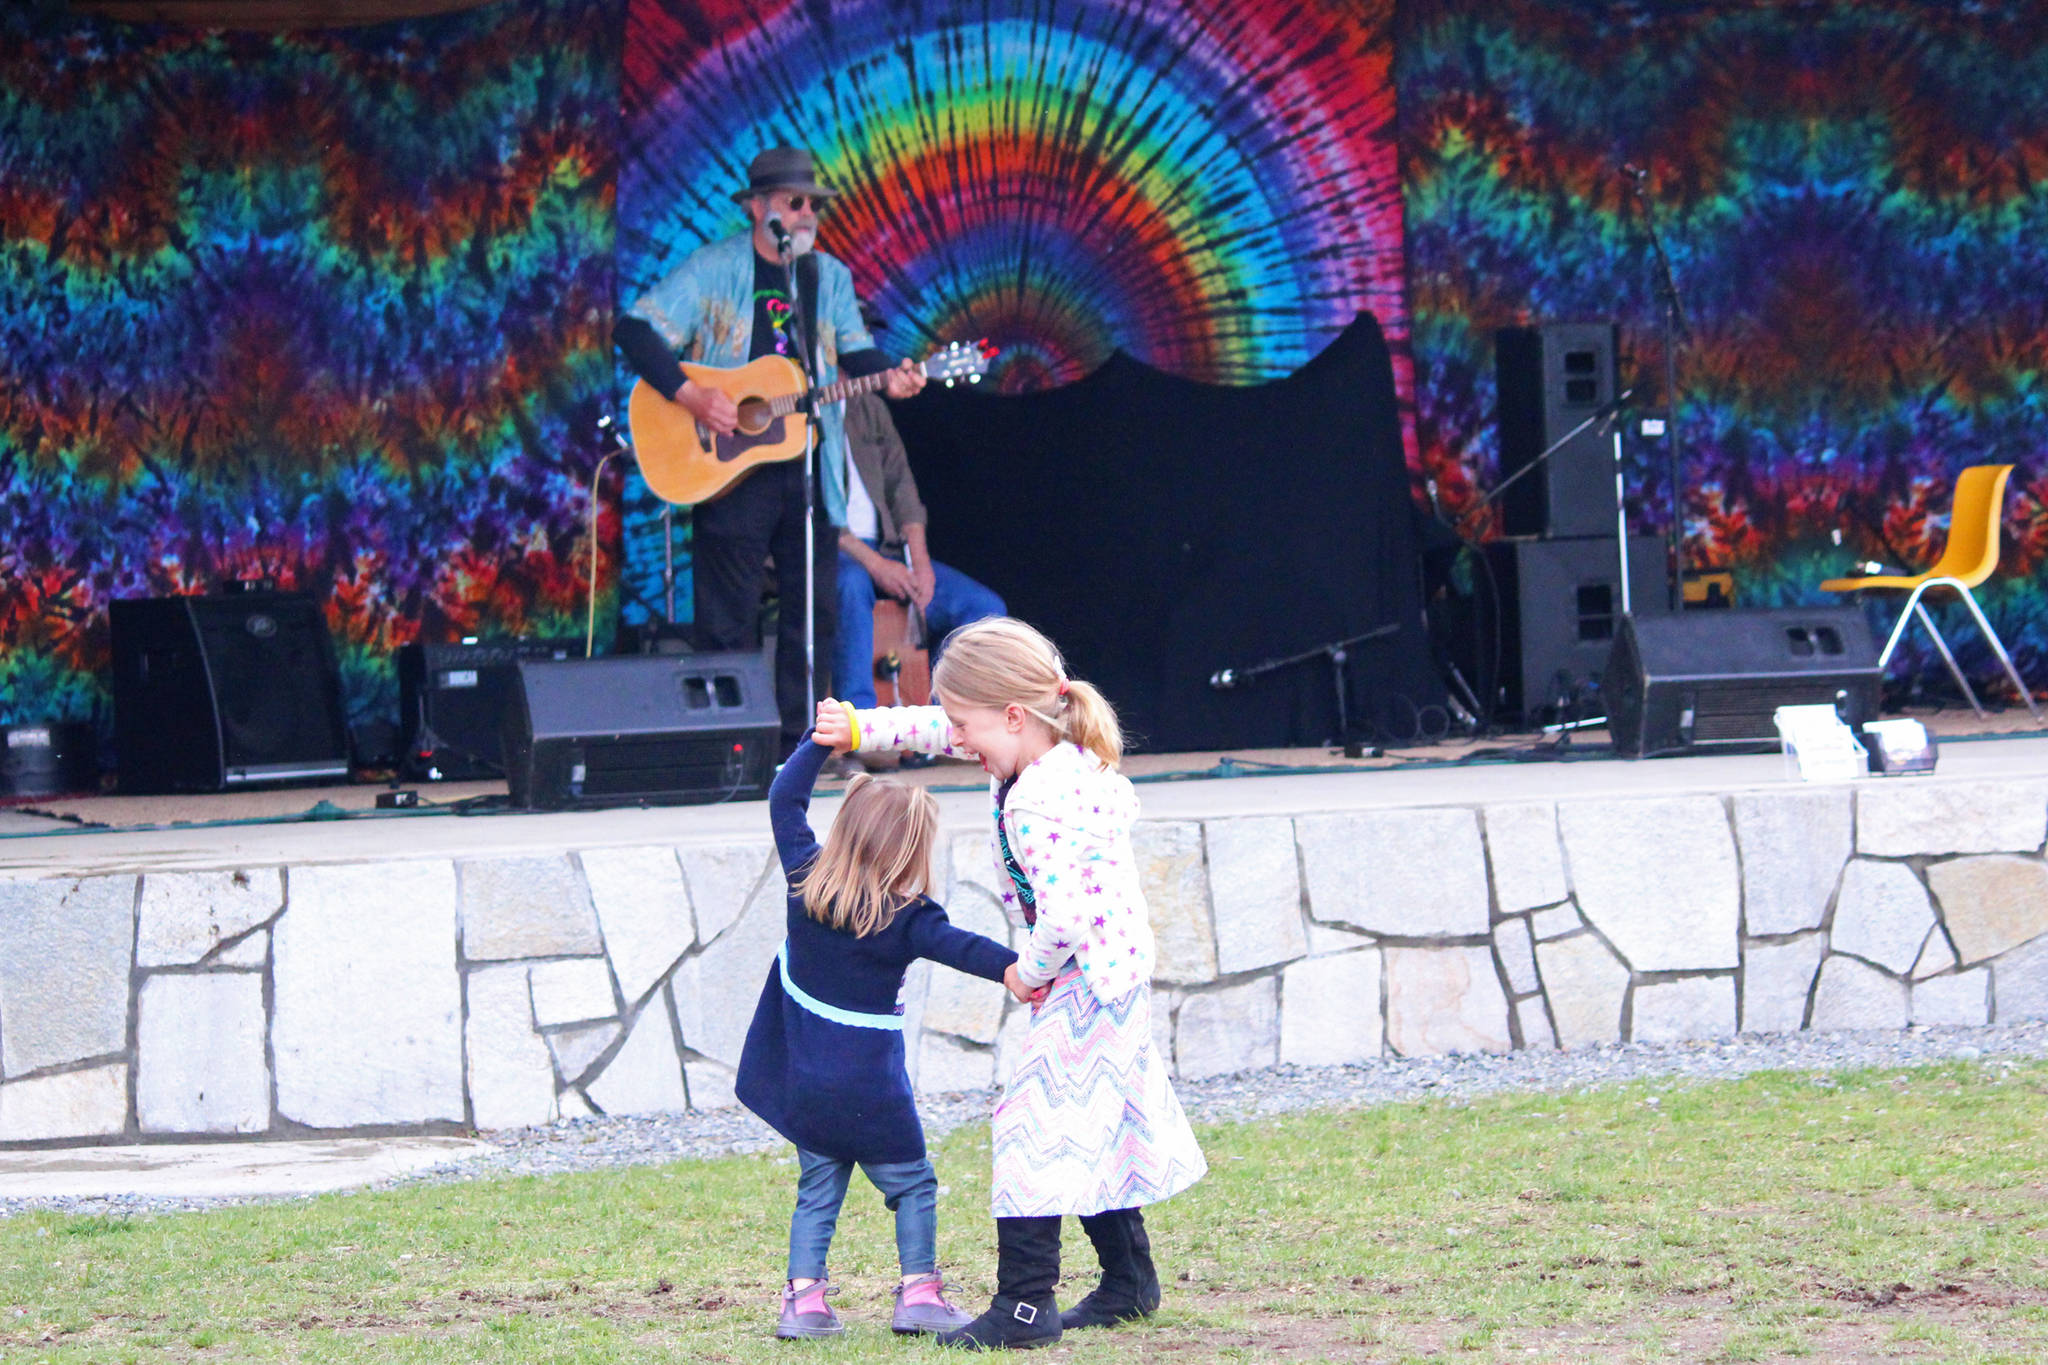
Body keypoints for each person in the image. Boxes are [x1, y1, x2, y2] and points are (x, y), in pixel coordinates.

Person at [814, 617, 1208, 1350]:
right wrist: (863, 727)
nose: (959, 741)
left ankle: (1026, 1304)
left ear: (1015, 715)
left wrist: (1026, 972)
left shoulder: (1034, 804)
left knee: (1030, 1128)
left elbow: (1062, 914)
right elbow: (943, 725)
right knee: (1091, 1123)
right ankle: (1129, 1279)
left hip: (1082, 978)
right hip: (1114, 973)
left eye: (969, 724)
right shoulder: (1058, 752)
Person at [736, 716, 1043, 1340]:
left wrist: (819, 742)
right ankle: (919, 1294)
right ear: (909, 849)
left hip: (808, 1085)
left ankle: (804, 1303)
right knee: (913, 1185)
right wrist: (1015, 971)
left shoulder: (805, 879)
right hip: (873, 1091)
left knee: (819, 1185)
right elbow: (962, 946)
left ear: (846, 830)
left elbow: (783, 799)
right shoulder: (908, 917)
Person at [614, 145, 927, 753]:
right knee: (727, 613)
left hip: (809, 463)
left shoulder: (827, 277)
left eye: (813, 203)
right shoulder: (714, 267)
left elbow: (856, 353)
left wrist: (892, 375)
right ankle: (728, 745)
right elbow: (634, 329)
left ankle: (798, 743)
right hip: (729, 463)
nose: (806, 213)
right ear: (758, 208)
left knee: (812, 615)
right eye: (794, 201)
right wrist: (694, 395)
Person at [835, 388, 1007, 712]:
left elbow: (903, 490)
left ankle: (955, 722)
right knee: (851, 585)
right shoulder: (799, 410)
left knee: (983, 609)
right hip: (832, 555)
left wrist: (920, 563)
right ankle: (859, 725)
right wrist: (875, 565)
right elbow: (811, 513)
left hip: (887, 548)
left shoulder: (867, 405)